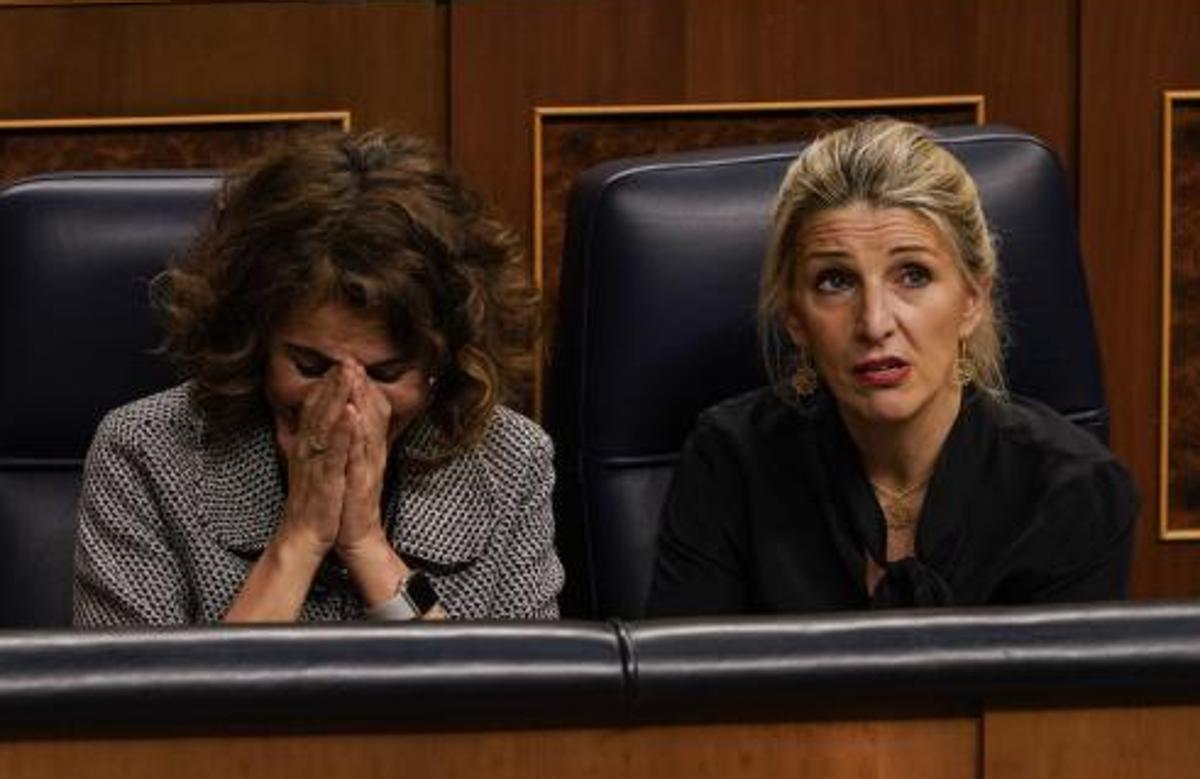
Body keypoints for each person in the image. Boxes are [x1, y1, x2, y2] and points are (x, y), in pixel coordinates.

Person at [647, 119, 1137, 615]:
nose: (875, 323)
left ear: (972, 299)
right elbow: (688, 687)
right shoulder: (730, 461)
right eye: (835, 281)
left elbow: (1055, 695)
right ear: (794, 318)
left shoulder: (1073, 493)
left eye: (913, 275)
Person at [74, 130, 563, 624]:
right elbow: (143, 699)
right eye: (310, 366)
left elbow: (510, 698)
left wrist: (367, 546)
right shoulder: (143, 452)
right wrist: (300, 538)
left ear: (442, 362)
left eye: (387, 372)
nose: (348, 400)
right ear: (254, 341)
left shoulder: (510, 460)